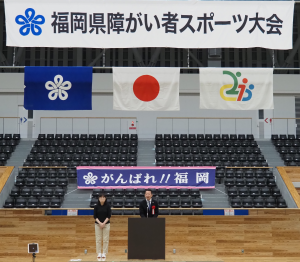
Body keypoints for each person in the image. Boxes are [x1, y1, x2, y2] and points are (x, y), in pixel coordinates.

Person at [93, 193, 111, 259]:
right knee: (98, 239)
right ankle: (99, 253)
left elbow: (109, 216)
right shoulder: (96, 206)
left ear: (105, 198)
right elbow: (95, 216)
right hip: (98, 225)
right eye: (101, 197)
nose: (102, 199)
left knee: (106, 239)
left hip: (106, 224)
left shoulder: (108, 206)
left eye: (103, 197)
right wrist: (100, 223)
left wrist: (103, 223)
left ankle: (104, 253)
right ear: (99, 198)